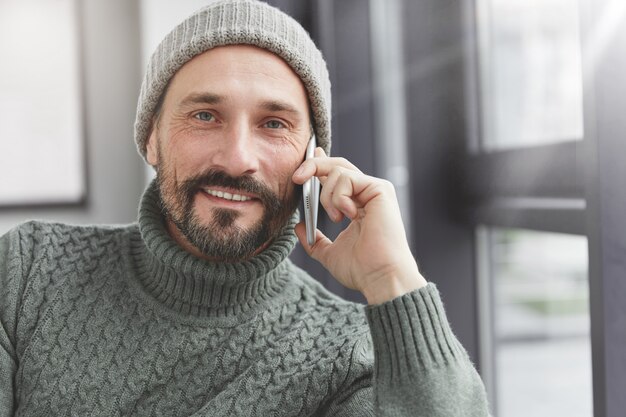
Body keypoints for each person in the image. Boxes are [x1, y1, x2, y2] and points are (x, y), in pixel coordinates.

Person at [0, 0, 490, 415]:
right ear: (151, 139)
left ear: (312, 159)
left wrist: (392, 280)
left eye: (274, 124)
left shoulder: (350, 356)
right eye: (205, 115)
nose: (237, 159)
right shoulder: (28, 270)